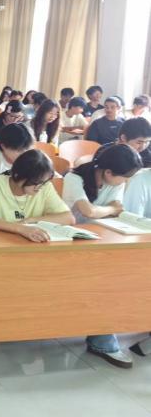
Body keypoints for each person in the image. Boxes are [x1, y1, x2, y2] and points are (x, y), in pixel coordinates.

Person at [62, 144, 142, 369]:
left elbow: (114, 210)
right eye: (124, 177)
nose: (125, 181)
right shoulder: (74, 178)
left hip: (101, 241)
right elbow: (88, 211)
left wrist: (107, 210)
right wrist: (109, 209)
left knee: (118, 279)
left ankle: (102, 338)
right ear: (108, 172)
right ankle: (103, 340)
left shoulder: (115, 182)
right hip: (68, 242)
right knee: (104, 282)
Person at [0, 149, 74, 241]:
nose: (39, 187)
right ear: (17, 175)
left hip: (27, 244)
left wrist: (30, 221)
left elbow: (68, 218)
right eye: (35, 182)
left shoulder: (45, 187)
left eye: (43, 182)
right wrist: (21, 228)